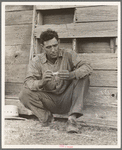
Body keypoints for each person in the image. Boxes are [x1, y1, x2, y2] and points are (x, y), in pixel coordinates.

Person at [19, 29, 93, 133]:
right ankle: (47, 118)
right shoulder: (36, 61)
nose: (53, 50)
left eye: (55, 45)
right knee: (24, 93)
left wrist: (71, 75)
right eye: (49, 47)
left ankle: (72, 119)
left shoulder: (69, 54)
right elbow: (28, 82)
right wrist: (42, 82)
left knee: (83, 77)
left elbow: (87, 67)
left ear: (59, 43)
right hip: (48, 100)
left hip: (68, 99)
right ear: (42, 47)